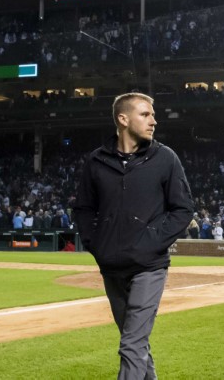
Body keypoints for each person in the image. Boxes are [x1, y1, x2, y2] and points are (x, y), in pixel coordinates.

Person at [73, 92, 193, 380]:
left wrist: (150, 243)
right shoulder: (97, 161)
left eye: (152, 115)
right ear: (123, 119)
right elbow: (84, 209)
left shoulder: (165, 158)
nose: (154, 120)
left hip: (148, 266)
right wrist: (96, 244)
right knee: (135, 342)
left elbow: (183, 209)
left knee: (131, 343)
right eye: (146, 114)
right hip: (111, 265)